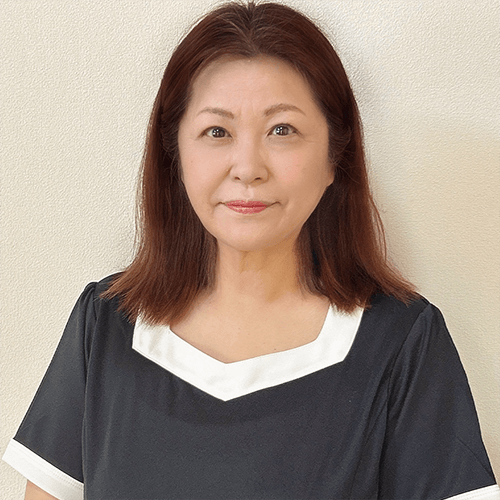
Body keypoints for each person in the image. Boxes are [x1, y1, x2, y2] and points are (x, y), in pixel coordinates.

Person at [3, 2, 499, 499]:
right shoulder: (106, 326)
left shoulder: (402, 342)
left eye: (282, 130)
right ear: (175, 155)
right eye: (217, 132)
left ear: (335, 157)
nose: (247, 167)